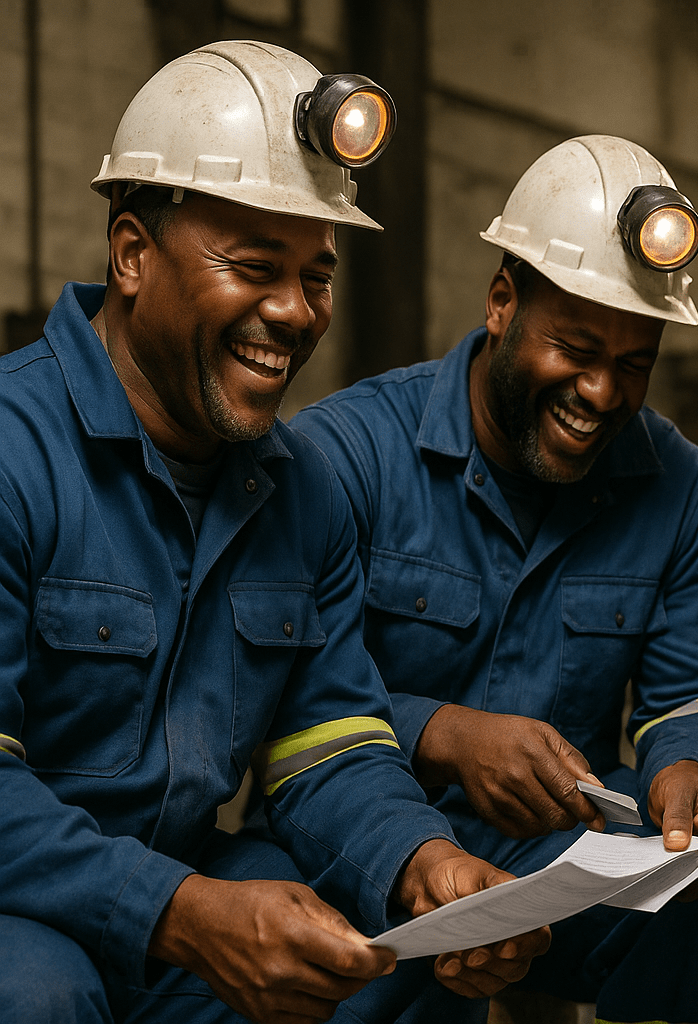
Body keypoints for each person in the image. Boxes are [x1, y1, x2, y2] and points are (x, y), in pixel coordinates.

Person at [0, 40, 546, 1024]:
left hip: (177, 901)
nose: (295, 313)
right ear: (132, 255)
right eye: (255, 267)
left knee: (394, 952)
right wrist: (181, 912)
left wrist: (424, 861)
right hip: (26, 911)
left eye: (316, 277)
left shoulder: (301, 492)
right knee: (37, 991)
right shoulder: (12, 453)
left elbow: (329, 744)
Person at [291, 134, 698, 1024]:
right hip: (364, 834)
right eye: (576, 349)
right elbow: (288, 698)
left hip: (560, 851)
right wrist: (445, 735)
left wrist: (688, 768)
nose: (602, 393)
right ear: (502, 303)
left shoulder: (680, 487)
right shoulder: (346, 456)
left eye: (634, 364)